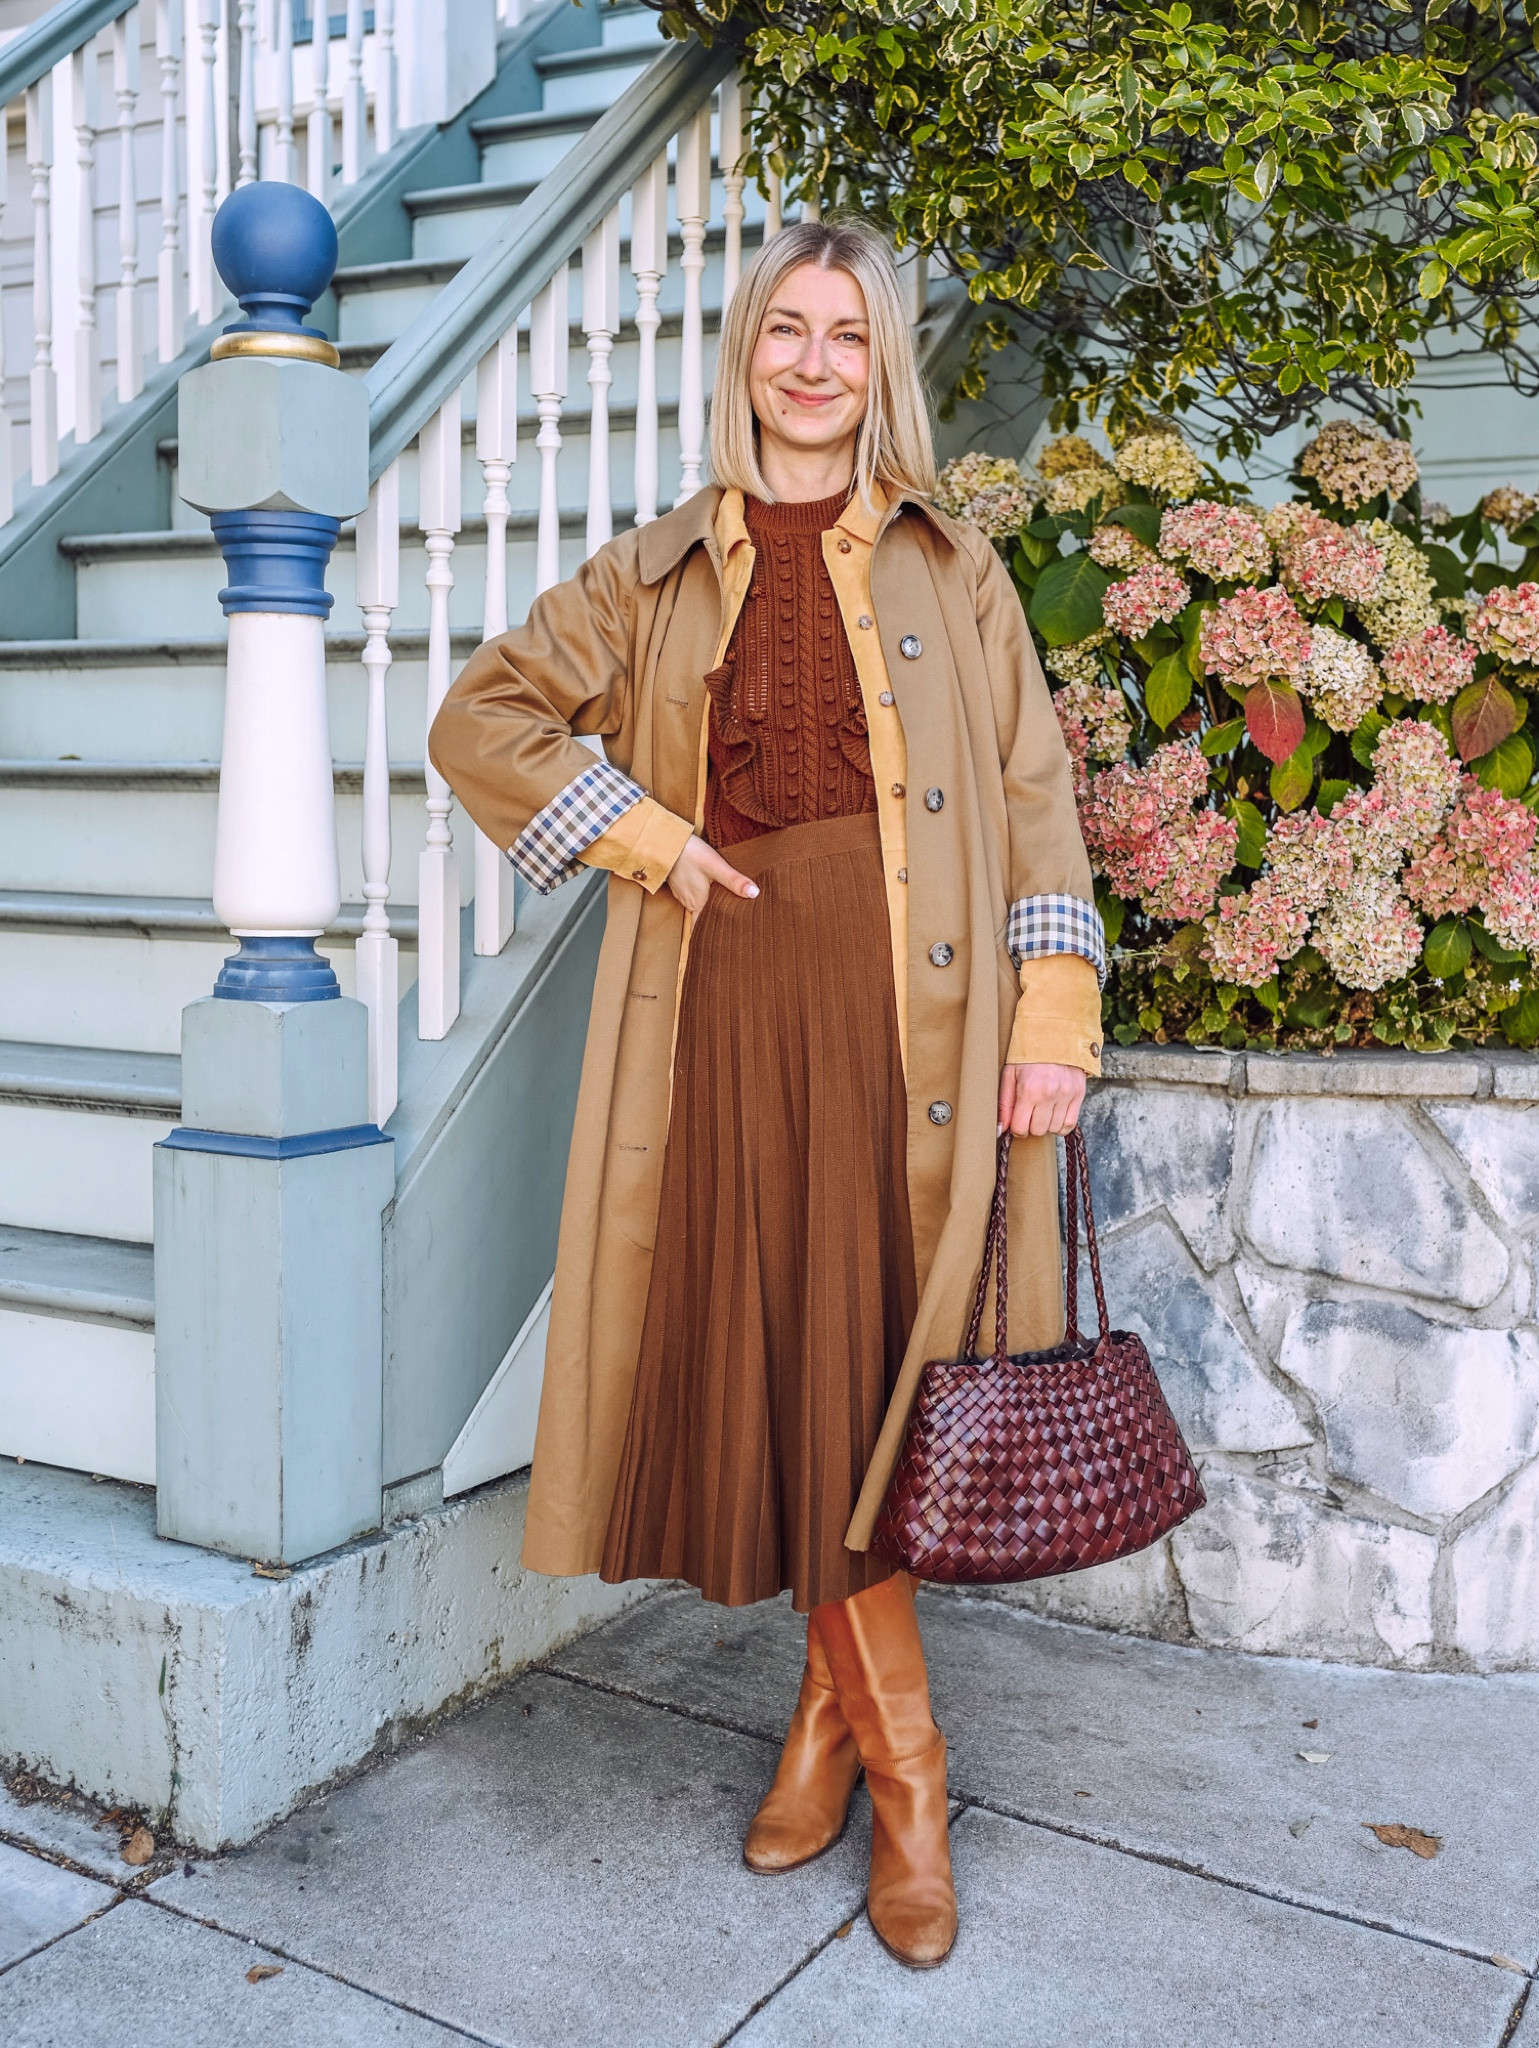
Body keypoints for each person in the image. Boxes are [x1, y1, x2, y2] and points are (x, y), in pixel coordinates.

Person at [429, 218, 1103, 1969]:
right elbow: (482, 718)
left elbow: (1033, 802)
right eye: (783, 331)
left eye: (847, 335)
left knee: (865, 1373)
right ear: (744, 357)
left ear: (884, 367)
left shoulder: (955, 566)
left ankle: (884, 1760)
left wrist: (1055, 1018)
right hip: (721, 1019)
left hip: (915, 1037)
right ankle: (878, 1749)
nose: (812, 361)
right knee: (799, 1367)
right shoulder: (650, 574)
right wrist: (642, 835)